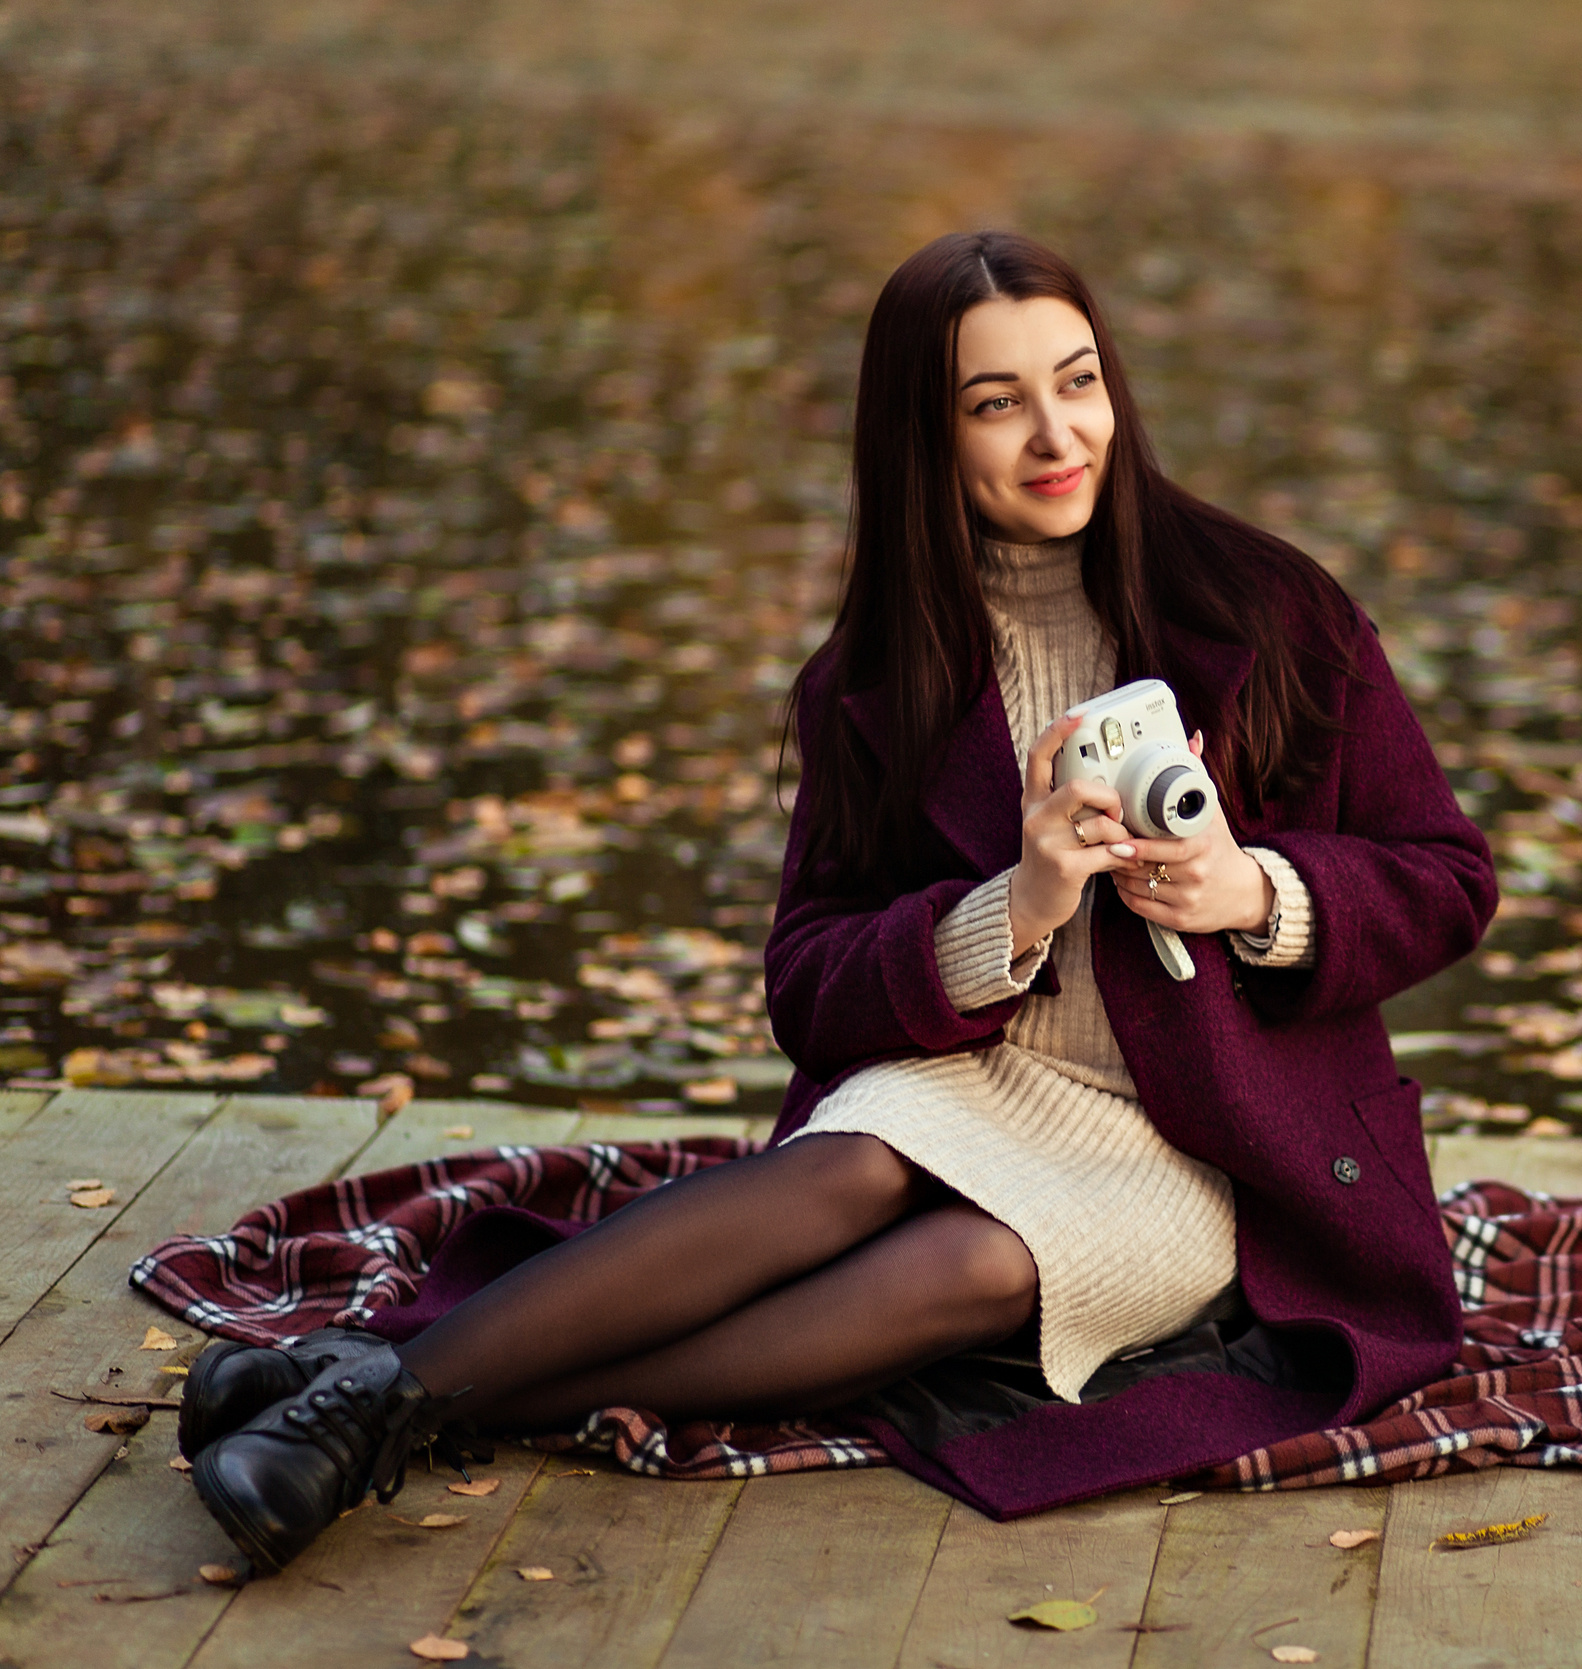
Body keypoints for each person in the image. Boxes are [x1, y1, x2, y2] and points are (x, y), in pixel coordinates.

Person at [179, 230, 1498, 1572]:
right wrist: (1016, 906)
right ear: (924, 438)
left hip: (1208, 1143)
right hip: (976, 1079)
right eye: (997, 403)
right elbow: (805, 984)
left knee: (976, 1268)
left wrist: (1250, 891)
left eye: (1079, 380)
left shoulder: (1272, 611)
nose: (1058, 434)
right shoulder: (881, 674)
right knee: (843, 1167)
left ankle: (372, 1391)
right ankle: (365, 1412)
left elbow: (1448, 876)